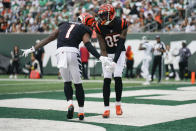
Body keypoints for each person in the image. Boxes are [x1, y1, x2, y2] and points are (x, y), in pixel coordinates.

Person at [21, 13, 111, 120]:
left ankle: (70, 103)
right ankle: (81, 112)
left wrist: (33, 49)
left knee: (67, 82)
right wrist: (100, 57)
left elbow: (49, 38)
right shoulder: (83, 28)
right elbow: (88, 44)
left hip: (60, 52)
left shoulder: (64, 25)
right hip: (73, 52)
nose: (91, 26)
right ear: (86, 22)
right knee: (78, 84)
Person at [95, 4, 128, 118]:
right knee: (107, 78)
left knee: (118, 76)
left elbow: (120, 45)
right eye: (101, 16)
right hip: (107, 53)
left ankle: (118, 104)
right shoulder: (99, 26)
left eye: (104, 15)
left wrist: (114, 61)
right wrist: (106, 60)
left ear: (112, 14)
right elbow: (102, 46)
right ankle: (106, 108)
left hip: (120, 52)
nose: (102, 18)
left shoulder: (122, 23)